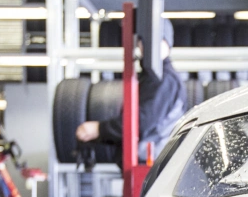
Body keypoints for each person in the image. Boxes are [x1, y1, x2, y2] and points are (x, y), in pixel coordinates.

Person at [74, 20, 186, 158]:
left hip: (152, 166)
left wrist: (99, 130)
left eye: (151, 41)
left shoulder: (163, 80)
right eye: (141, 41)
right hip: (147, 163)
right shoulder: (152, 77)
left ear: (165, 43)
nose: (143, 46)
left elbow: (141, 122)